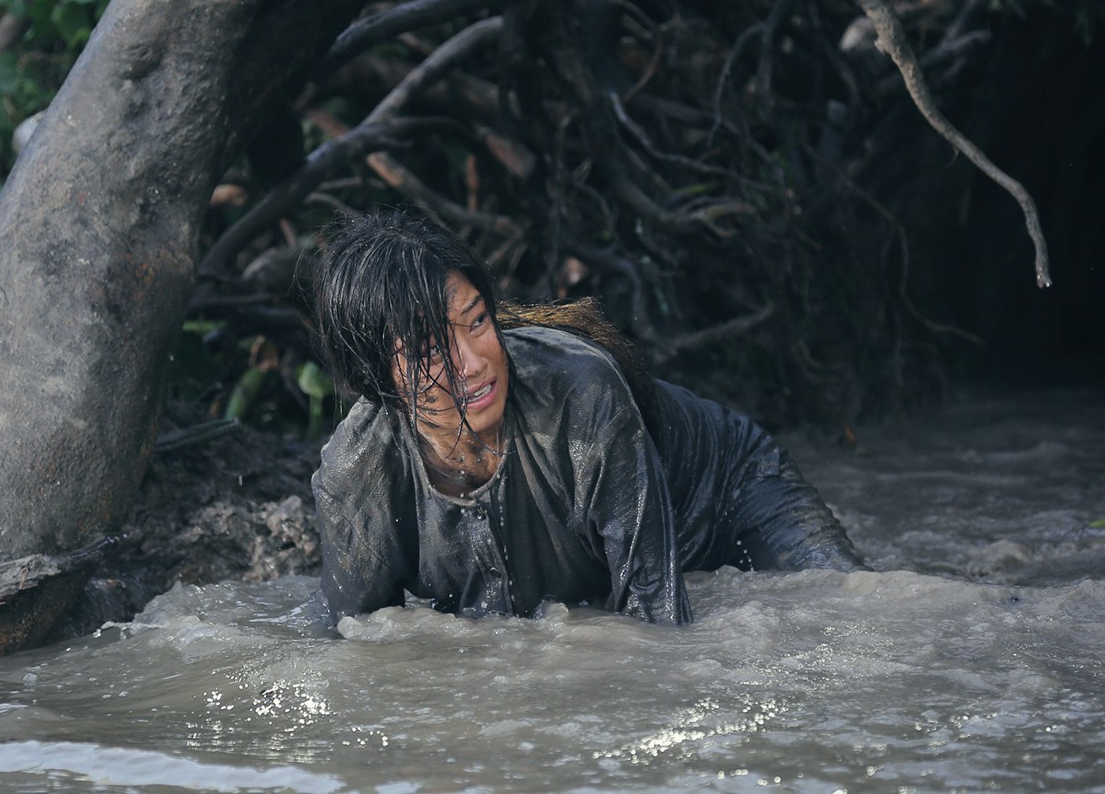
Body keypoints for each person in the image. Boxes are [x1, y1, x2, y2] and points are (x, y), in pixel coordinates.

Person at [310, 210, 864, 626]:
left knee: (858, 614)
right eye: (431, 352)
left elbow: (658, 621)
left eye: (477, 321)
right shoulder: (358, 473)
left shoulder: (581, 393)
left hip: (731, 495)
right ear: (377, 377)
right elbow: (360, 651)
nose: (476, 363)